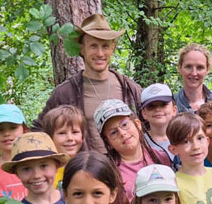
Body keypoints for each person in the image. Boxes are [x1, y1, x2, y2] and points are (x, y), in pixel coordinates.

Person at [34, 14, 142, 153]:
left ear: (112, 48)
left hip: (127, 169)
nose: (100, 53)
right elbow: (40, 129)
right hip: (87, 170)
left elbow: (149, 124)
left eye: (105, 46)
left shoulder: (129, 88)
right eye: (93, 46)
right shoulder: (65, 93)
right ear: (82, 49)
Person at [94, 99, 172, 204]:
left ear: (137, 124)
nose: (122, 133)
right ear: (108, 141)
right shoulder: (106, 170)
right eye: (113, 132)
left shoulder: (160, 157)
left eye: (124, 125)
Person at [173, 43, 212, 113]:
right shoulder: (170, 104)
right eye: (188, 67)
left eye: (200, 67)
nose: (194, 73)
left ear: (208, 69)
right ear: (179, 68)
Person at [41, 105, 87, 190]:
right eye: (62, 133)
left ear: (83, 136)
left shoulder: (87, 167)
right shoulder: (44, 171)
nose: (70, 138)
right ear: (50, 138)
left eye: (75, 132)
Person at [138, 83, 178, 165]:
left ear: (174, 110)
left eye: (163, 104)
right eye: (151, 106)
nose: (158, 109)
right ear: (144, 113)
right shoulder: (140, 144)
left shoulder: (185, 137)